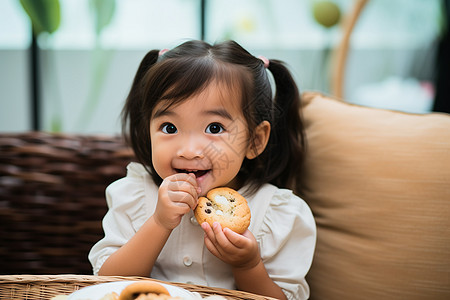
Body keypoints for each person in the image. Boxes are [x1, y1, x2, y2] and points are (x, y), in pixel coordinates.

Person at [89, 40, 316, 300]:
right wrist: (159, 223)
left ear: (255, 140)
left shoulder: (278, 213)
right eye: (169, 128)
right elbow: (106, 283)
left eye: (214, 128)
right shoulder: (134, 196)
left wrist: (248, 265)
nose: (189, 150)